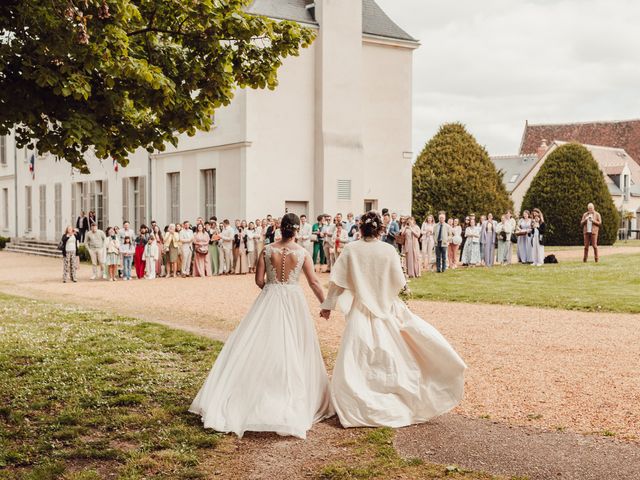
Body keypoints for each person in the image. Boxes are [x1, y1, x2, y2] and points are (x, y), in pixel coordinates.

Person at [190, 213, 334, 438]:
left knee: (261, 343)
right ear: (296, 230)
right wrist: (325, 305)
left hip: (270, 297)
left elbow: (258, 280)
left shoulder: (267, 250)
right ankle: (290, 391)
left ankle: (259, 390)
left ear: (280, 228)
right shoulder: (302, 253)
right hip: (293, 299)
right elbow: (314, 282)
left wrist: (272, 288)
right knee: (295, 343)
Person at [319, 210, 466, 429]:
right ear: (380, 228)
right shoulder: (388, 250)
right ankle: (392, 392)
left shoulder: (351, 250)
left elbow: (337, 282)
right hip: (386, 307)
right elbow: (399, 281)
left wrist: (328, 306)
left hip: (361, 309)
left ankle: (358, 402)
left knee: (358, 354)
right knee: (394, 352)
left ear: (361, 228)